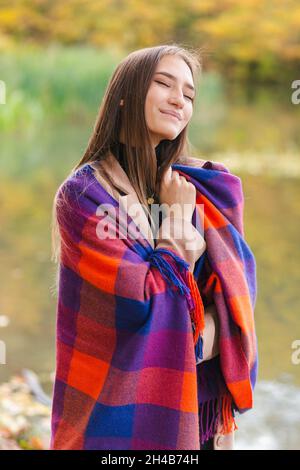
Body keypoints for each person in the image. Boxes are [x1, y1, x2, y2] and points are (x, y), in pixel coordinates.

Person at [51, 44, 239, 450]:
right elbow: (142, 307)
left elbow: (230, 297)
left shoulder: (193, 188)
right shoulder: (86, 194)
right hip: (116, 413)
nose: (179, 100)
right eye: (163, 84)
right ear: (126, 94)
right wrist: (173, 224)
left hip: (194, 410)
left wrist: (212, 326)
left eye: (189, 94)